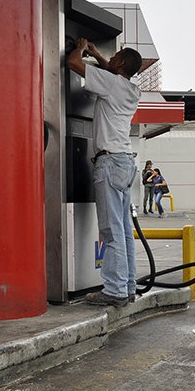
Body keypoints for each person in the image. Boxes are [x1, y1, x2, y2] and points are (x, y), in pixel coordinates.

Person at [68, 37, 142, 308]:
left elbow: (73, 63)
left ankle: (114, 290)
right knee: (123, 232)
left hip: (109, 164)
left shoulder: (110, 83)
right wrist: (98, 53)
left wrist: (80, 49)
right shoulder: (131, 89)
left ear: (121, 62)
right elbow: (111, 72)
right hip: (125, 162)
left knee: (110, 232)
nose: (111, 58)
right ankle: (127, 286)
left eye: (115, 55)